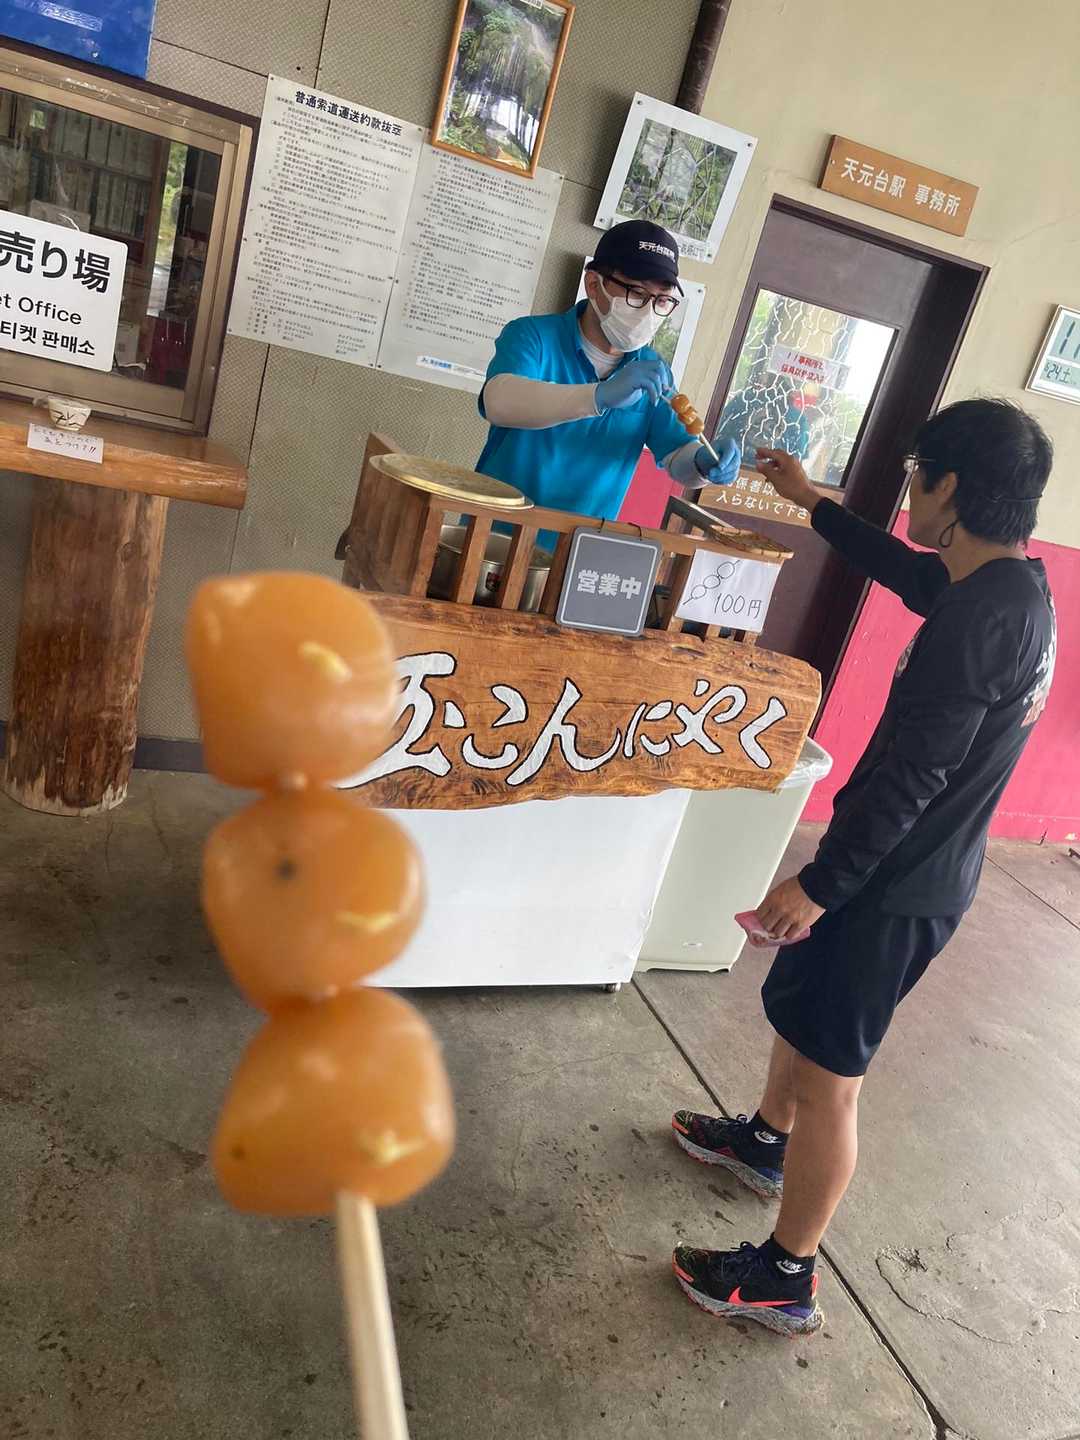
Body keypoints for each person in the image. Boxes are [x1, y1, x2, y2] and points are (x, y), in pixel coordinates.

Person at [668, 398, 1057, 1336]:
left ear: (949, 485)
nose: (909, 492)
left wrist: (820, 884)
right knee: (803, 1022)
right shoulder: (1001, 589)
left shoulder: (981, 619)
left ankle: (786, 1274)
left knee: (833, 1078)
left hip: (895, 888)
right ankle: (764, 1141)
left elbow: (917, 777)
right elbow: (903, 568)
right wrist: (811, 501)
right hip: (895, 871)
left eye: (917, 474)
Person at [476, 219, 740, 524]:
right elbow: (498, 402)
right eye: (637, 293)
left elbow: (677, 456)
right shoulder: (533, 336)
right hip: (495, 531)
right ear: (593, 284)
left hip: (581, 541)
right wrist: (598, 396)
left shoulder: (652, 370)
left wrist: (703, 464)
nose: (648, 311)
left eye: (662, 300)